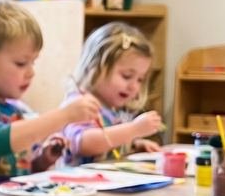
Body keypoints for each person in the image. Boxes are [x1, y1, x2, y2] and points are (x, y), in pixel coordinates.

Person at [0, 0, 100, 186]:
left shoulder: (14, 110)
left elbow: (17, 170)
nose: (31, 72)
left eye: (33, 63)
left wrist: (43, 159)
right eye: (21, 63)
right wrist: (65, 115)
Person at [58, 22, 163, 165]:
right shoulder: (79, 104)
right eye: (126, 76)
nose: (133, 86)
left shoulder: (111, 109)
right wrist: (134, 129)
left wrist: (133, 144)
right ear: (95, 67)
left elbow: (108, 141)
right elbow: (83, 143)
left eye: (140, 79)